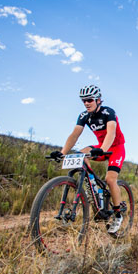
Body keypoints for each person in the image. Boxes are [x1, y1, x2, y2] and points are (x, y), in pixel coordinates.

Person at [49, 85, 126, 234]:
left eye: (89, 100)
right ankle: (94, 192)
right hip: (100, 147)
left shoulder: (108, 112)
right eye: (83, 100)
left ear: (98, 100)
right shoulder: (84, 115)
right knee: (80, 155)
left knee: (110, 180)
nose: (86, 103)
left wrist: (102, 150)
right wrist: (62, 152)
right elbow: (74, 135)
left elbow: (111, 133)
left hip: (115, 147)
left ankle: (117, 215)